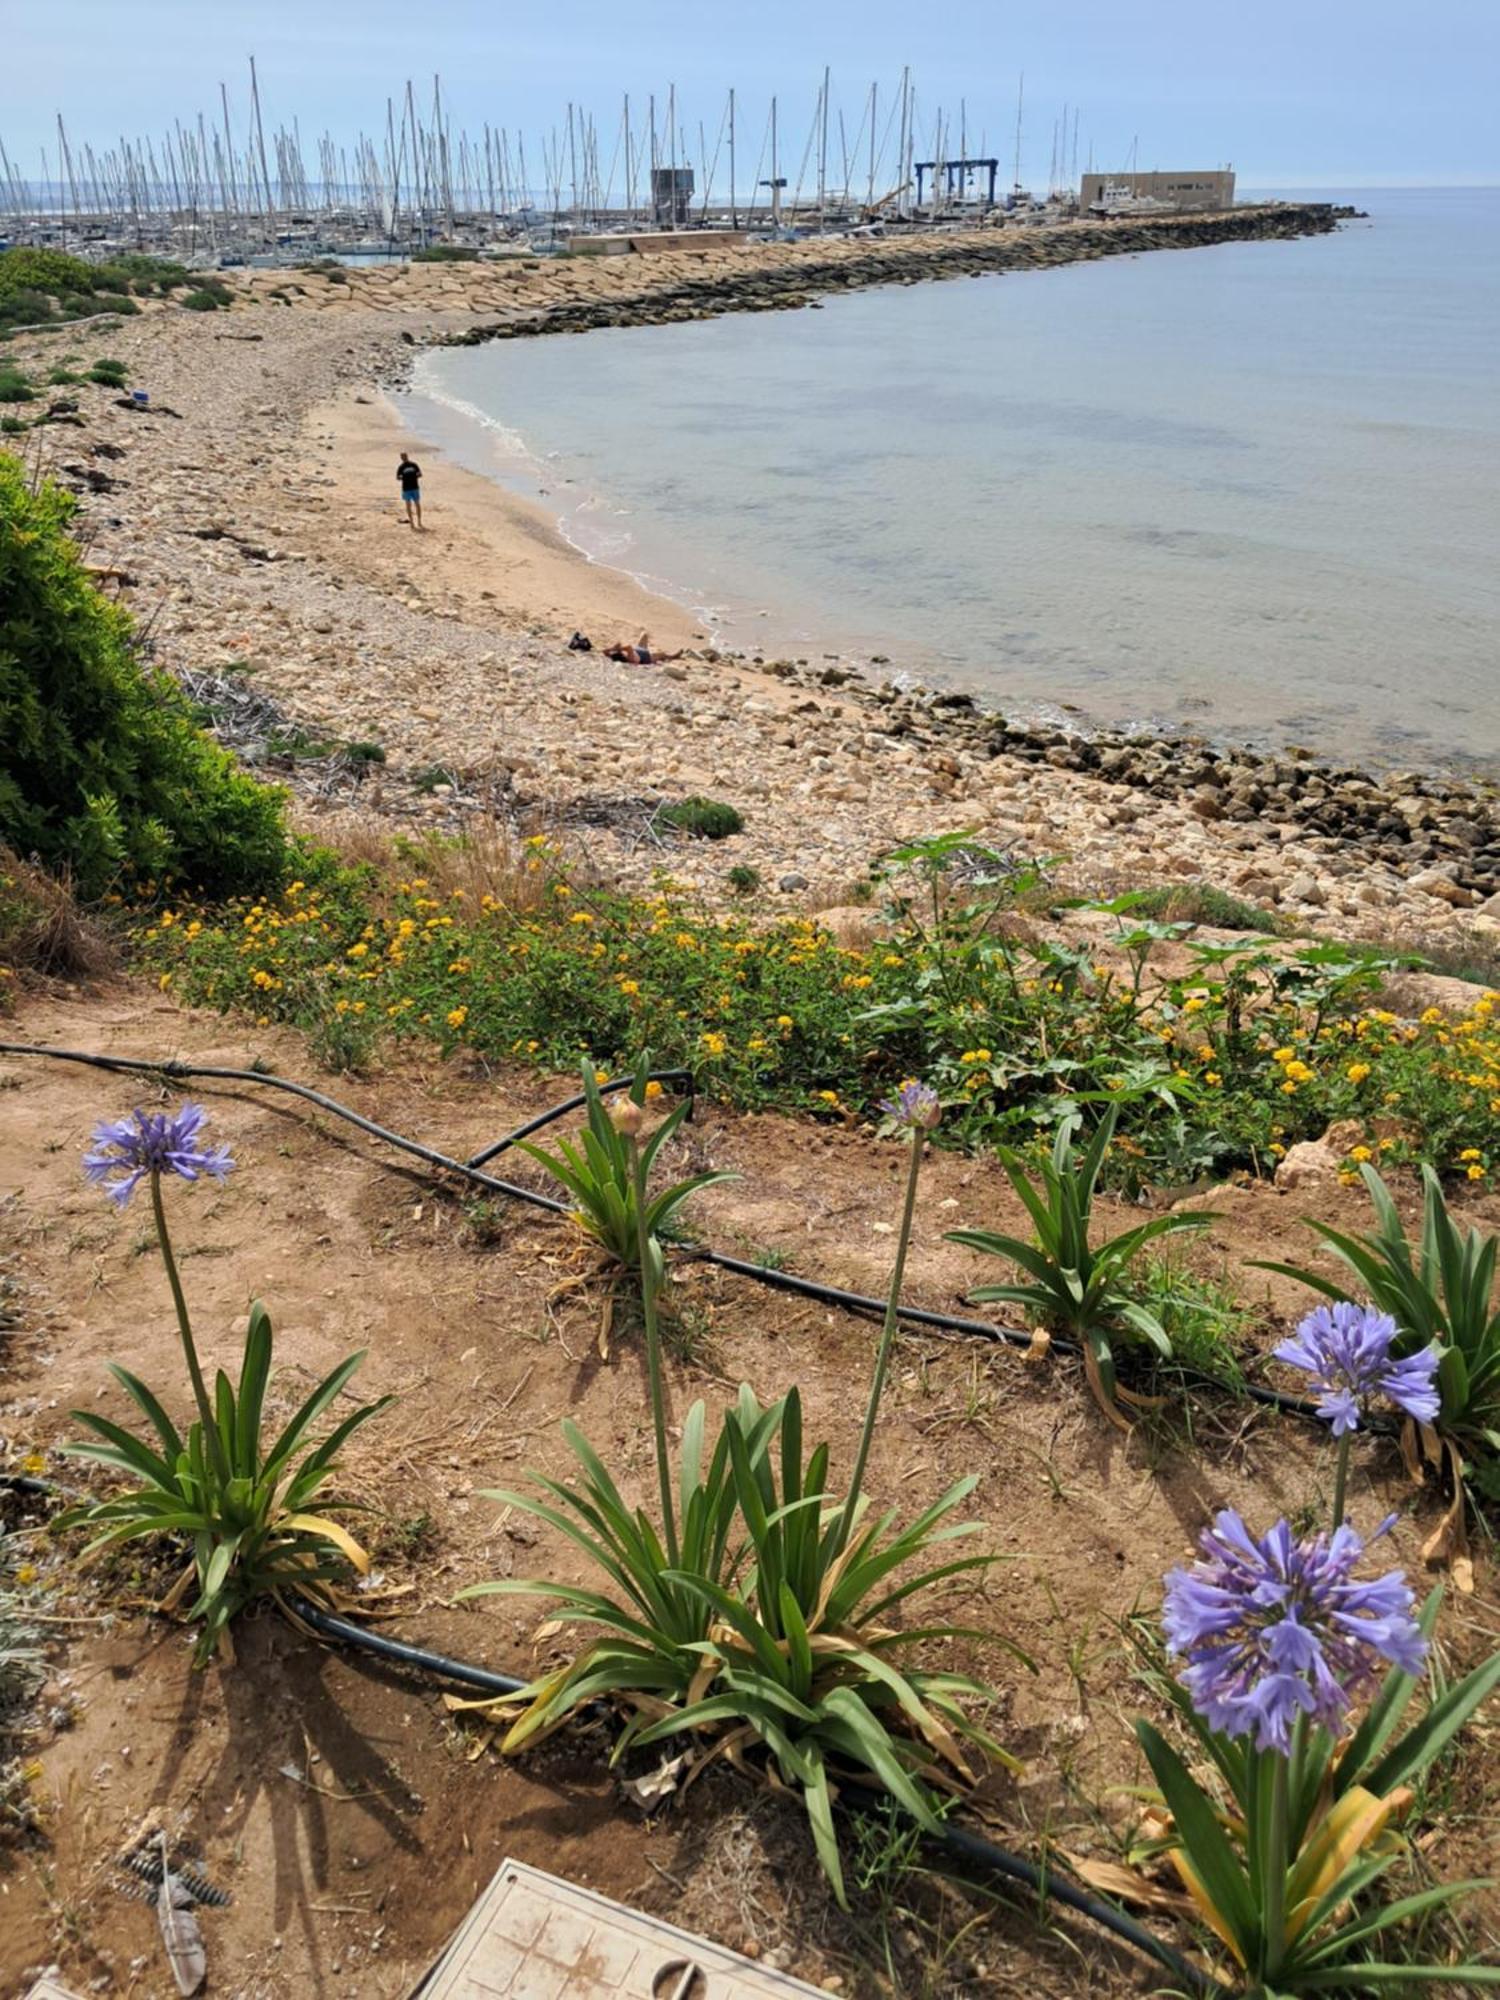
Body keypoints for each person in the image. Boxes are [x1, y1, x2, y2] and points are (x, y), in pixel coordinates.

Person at [602, 632, 685, 666]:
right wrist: (617, 648)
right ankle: (674, 656)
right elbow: (629, 647)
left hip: (639, 649)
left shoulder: (622, 655)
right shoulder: (629, 659)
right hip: (647, 657)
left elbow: (605, 651)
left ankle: (670, 656)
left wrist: (612, 649)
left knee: (644, 634)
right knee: (662, 654)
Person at [396, 452, 423, 530]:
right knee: (408, 505)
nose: (404, 458)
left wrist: (414, 476)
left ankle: (419, 521)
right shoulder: (401, 467)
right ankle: (411, 522)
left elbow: (420, 474)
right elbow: (397, 477)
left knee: (417, 504)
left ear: (407, 456)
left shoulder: (414, 465)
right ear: (401, 458)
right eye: (402, 457)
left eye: (404, 456)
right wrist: (404, 478)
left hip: (415, 487)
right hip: (406, 488)